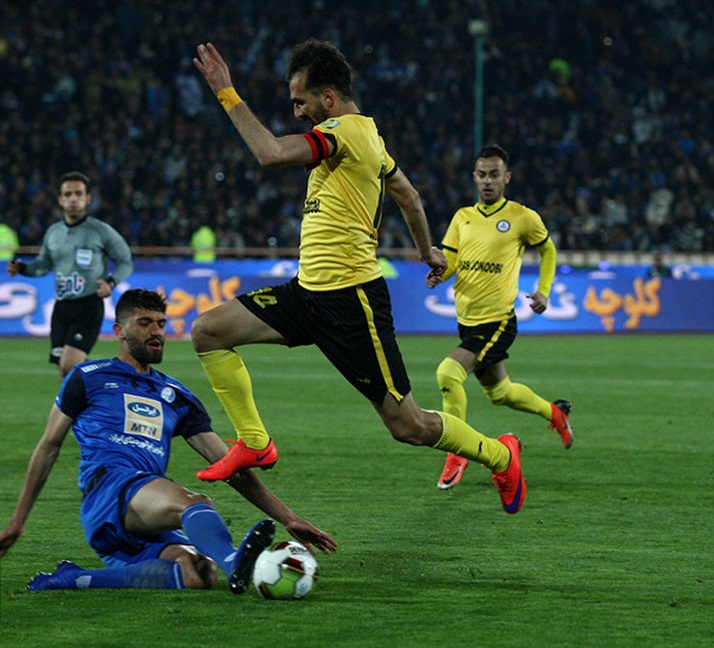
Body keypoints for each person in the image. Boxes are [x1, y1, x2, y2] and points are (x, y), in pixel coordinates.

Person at [189, 40, 526, 514]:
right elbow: (409, 197)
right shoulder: (371, 137)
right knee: (208, 331)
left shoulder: (342, 131)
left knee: (408, 425)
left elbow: (269, 152)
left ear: (328, 97)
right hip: (307, 293)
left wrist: (226, 93)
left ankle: (500, 455)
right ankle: (255, 442)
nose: (296, 111)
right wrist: (426, 250)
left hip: (352, 302)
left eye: (301, 101)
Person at [0, 289, 337, 593]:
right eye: (144, 323)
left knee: (200, 573)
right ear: (119, 331)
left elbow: (231, 466)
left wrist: (287, 518)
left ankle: (74, 578)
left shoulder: (177, 396)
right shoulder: (88, 378)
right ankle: (234, 560)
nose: (156, 331)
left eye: (161, 323)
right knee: (194, 502)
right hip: (107, 492)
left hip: (145, 511)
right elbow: (48, 448)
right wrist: (17, 522)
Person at [425, 144, 574, 491]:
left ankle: (457, 451)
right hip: (467, 319)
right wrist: (440, 274)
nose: (488, 181)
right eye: (482, 175)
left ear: (506, 178)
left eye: (494, 175)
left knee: (448, 374)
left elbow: (548, 249)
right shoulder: (462, 217)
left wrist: (544, 290)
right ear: (474, 178)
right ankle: (555, 413)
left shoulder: (522, 217)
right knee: (500, 392)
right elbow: (452, 260)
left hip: (498, 320)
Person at [6, 172, 133, 378]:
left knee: (69, 364)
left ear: (88, 198)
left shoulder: (101, 231)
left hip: (88, 305)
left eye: (78, 194)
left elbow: (125, 261)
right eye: (68, 194)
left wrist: (111, 282)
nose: (73, 199)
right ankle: (99, 387)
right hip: (61, 308)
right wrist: (22, 269)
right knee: (65, 372)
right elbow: (42, 266)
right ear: (60, 199)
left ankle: (108, 381)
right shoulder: (54, 232)